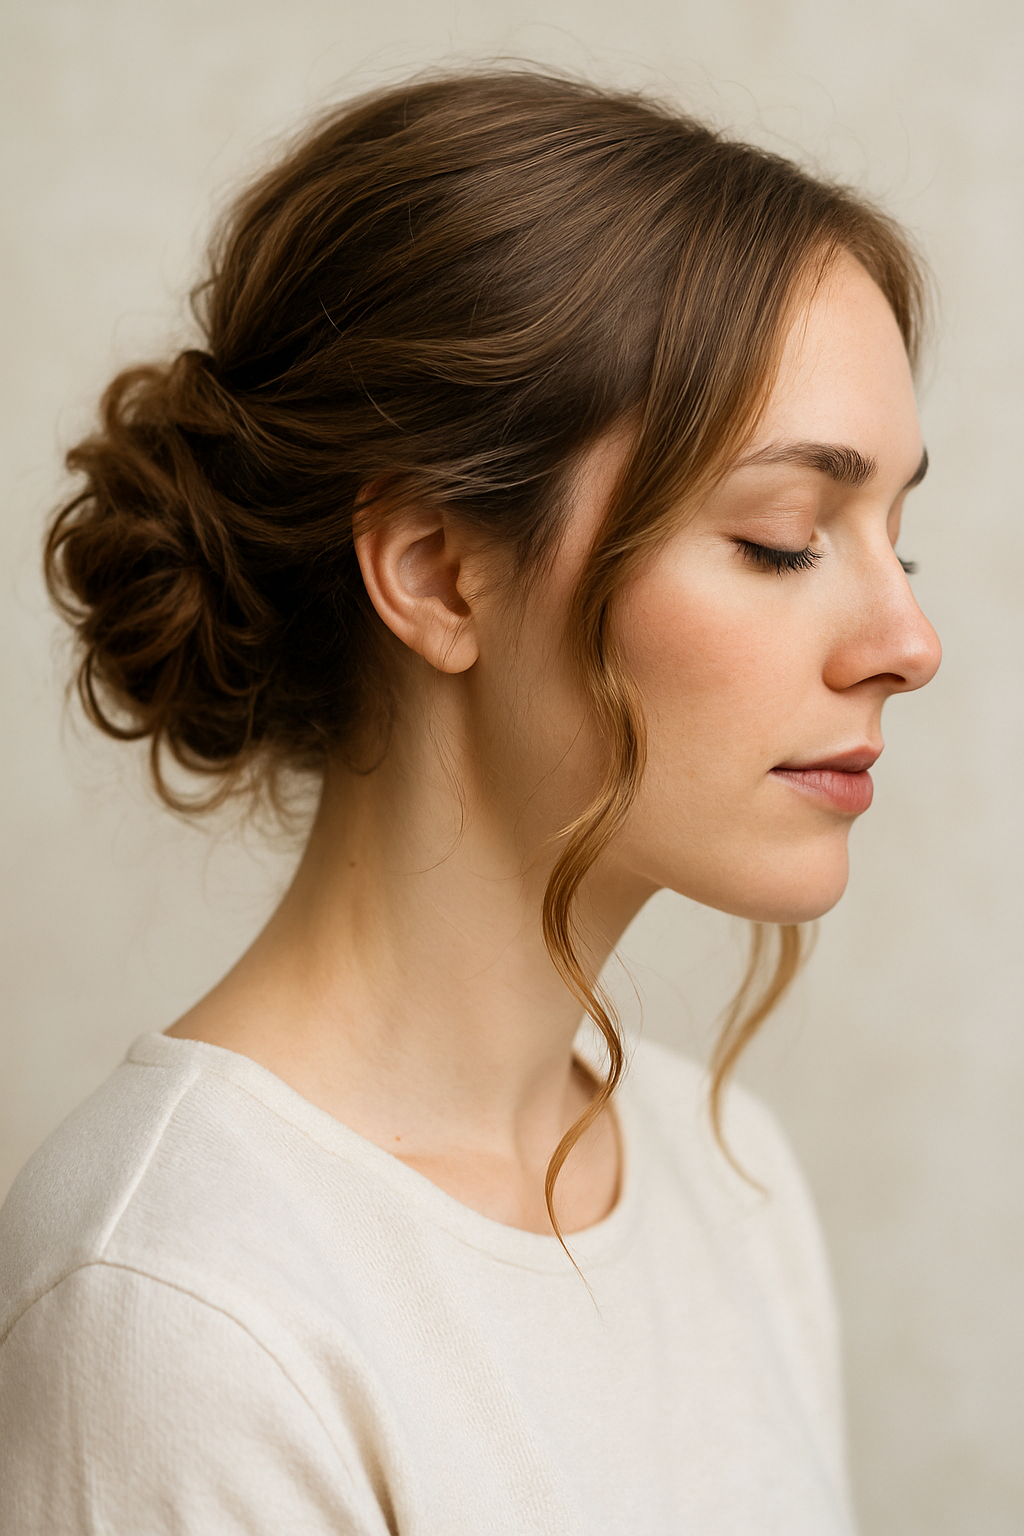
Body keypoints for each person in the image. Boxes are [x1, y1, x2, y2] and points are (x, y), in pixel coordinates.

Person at [0, 69, 940, 1535]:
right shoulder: (182, 1310)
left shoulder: (729, 1176)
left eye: (900, 537)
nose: (907, 643)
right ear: (438, 573)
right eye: (782, 537)